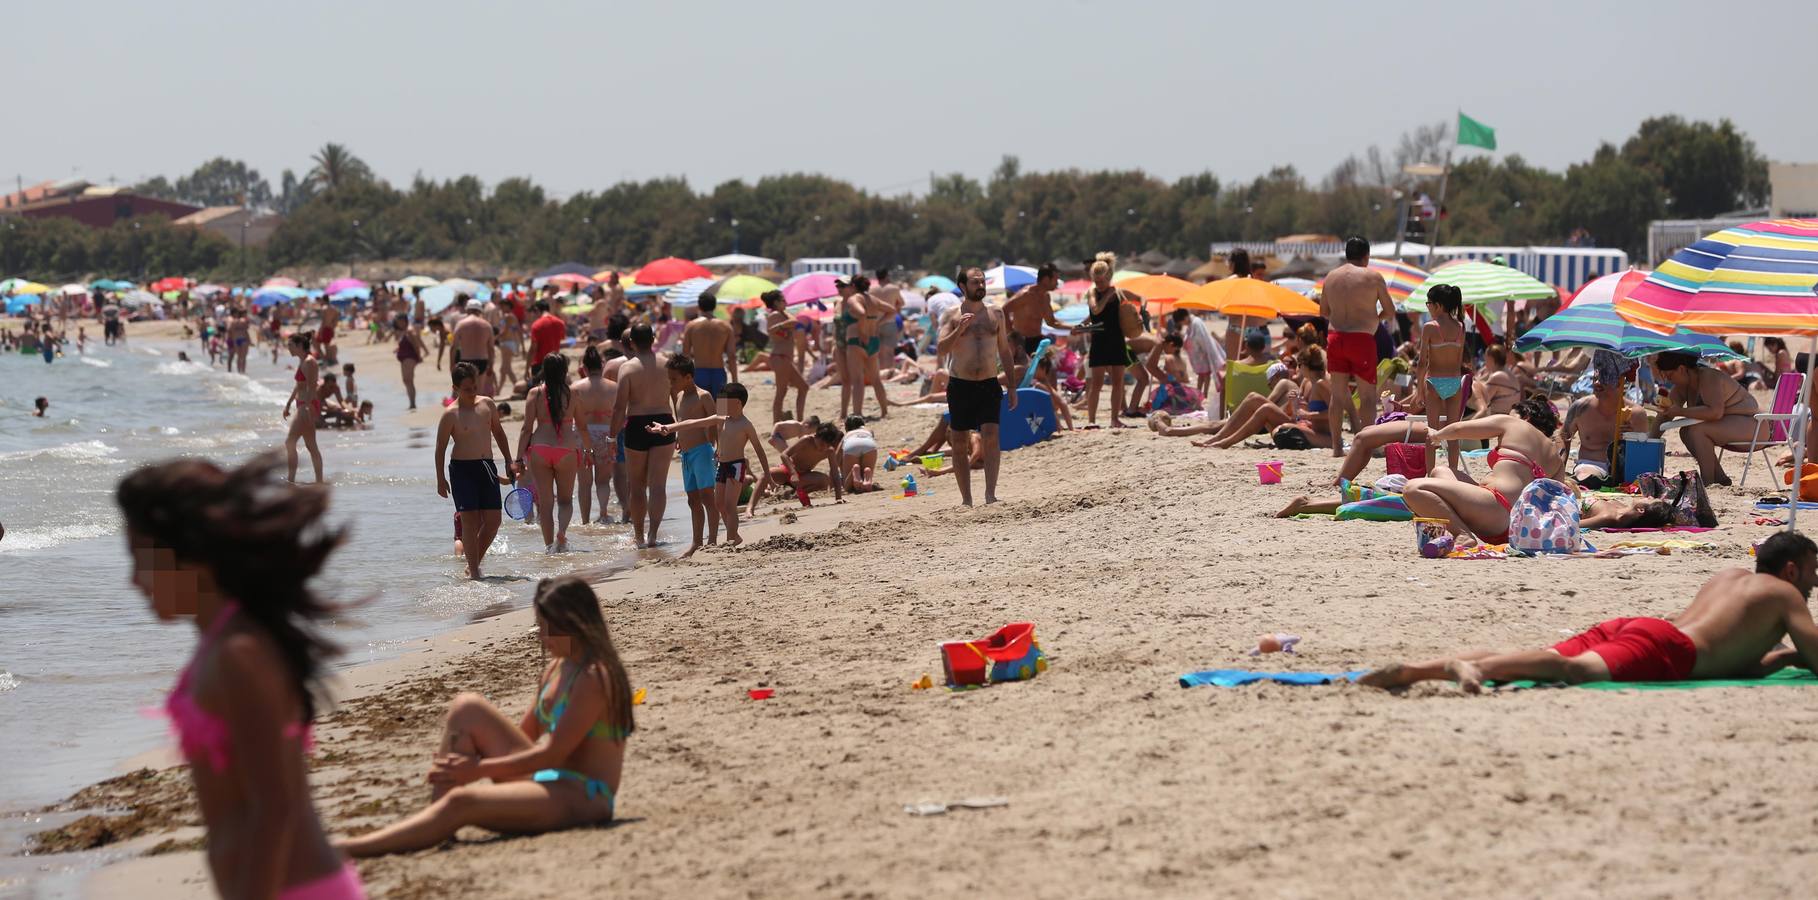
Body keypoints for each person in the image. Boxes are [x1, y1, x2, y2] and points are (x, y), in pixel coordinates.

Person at [118, 454, 367, 898]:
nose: (133, 581)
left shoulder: (239, 653)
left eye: (142, 559)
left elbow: (275, 808)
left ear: (191, 559)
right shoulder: (221, 640)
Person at [340, 575, 633, 857]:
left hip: (584, 797)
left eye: (549, 628)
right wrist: (460, 762)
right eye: (541, 625)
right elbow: (525, 738)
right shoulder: (558, 668)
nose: (542, 636)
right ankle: (438, 817)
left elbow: (552, 756)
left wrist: (477, 769)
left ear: (576, 625)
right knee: (467, 707)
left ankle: (349, 849)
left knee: (462, 801)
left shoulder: (594, 677)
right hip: (549, 781)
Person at [1360, 532, 1818, 692]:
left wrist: (1782, 657)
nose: (1814, 583)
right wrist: (1800, 654)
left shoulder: (1730, 578)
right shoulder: (1785, 596)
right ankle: (1459, 667)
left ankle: (1418, 671)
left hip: (1645, 627)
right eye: (1813, 573)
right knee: (1571, 669)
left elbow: (1730, 652)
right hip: (1667, 650)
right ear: (1792, 569)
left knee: (1540, 655)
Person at [1401, 397, 1564, 546]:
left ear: (1525, 416)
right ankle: (1447, 531)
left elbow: (1458, 429)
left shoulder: (1514, 423)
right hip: (1517, 526)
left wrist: (1437, 435)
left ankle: (1462, 534)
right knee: (1440, 471)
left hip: (1496, 508)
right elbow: (1558, 503)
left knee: (1413, 488)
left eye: (1511, 414)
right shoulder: (1555, 457)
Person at [936, 267, 1017, 506]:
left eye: (982, 282)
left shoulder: (997, 314)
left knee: (991, 436)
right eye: (975, 283)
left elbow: (1004, 351)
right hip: (961, 385)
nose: (980, 286)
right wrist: (959, 329)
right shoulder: (951, 315)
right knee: (959, 440)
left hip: (989, 383)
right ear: (963, 286)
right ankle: (966, 499)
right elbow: (941, 349)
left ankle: (990, 494)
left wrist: (1012, 386)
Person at [437, 362, 517, 578]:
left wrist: (509, 461)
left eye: (474, 387)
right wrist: (440, 479)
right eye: (466, 389)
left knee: (493, 522)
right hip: (462, 470)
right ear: (455, 388)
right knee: (470, 523)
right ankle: (474, 571)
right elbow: (440, 448)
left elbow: (499, 434)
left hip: (486, 467)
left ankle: (473, 563)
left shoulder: (487, 404)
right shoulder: (450, 414)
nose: (472, 392)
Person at [1319, 237, 1396, 456]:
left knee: (1337, 394)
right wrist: (1373, 318)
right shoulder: (1372, 276)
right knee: (1368, 397)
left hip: (1335, 336)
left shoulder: (1331, 277)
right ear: (1367, 255)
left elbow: (1323, 312)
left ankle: (1336, 447)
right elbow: (1390, 310)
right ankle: (1367, 447)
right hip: (1361, 339)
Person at [517, 354, 594, 553]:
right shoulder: (573, 394)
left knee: (545, 501)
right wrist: (588, 450)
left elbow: (526, 429)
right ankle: (561, 532)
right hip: (567, 449)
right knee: (565, 500)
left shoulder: (535, 394)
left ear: (544, 369)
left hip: (540, 448)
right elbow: (583, 427)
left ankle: (548, 546)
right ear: (564, 371)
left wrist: (518, 458)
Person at [1654, 350, 1761, 486]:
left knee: (1697, 430)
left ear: (1681, 369)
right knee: (1685, 432)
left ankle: (1707, 482)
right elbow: (1664, 416)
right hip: (1737, 425)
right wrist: (1649, 440)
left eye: (1669, 375)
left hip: (1755, 427)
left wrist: (1680, 411)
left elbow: (1715, 412)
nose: (1667, 380)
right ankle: (1719, 478)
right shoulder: (1682, 387)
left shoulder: (1708, 377)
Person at [612, 323, 675, 549]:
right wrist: (679, 425)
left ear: (631, 343)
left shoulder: (627, 368)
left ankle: (638, 537)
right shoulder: (667, 363)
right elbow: (676, 395)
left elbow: (620, 407)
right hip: (665, 421)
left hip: (637, 423)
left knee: (636, 485)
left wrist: (611, 436)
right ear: (654, 338)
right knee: (658, 485)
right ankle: (653, 535)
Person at [1196, 347, 1333, 450]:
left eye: (1298, 365)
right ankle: (1220, 438)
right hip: (1304, 425)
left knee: (1265, 407)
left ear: (1304, 366)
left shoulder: (1320, 384)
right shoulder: (1306, 382)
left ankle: (1225, 441)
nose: (1297, 370)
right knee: (1254, 398)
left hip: (1323, 435)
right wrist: (1296, 404)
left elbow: (1336, 412)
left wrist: (1308, 415)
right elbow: (1300, 413)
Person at [662, 354, 719, 558]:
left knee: (707, 497)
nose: (672, 383)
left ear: (688, 377)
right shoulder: (678, 397)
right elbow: (681, 420)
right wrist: (679, 437)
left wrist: (717, 447)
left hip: (702, 451)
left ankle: (712, 539)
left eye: (674, 379)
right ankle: (697, 541)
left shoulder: (703, 396)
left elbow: (715, 422)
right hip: (686, 454)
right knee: (692, 499)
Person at [1417, 283, 1469, 472]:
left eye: (1428, 303)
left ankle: (1430, 474)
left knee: (1432, 432)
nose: (1428, 307)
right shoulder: (1460, 327)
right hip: (1454, 382)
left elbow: (1422, 362)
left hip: (1434, 382)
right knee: (1454, 432)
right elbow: (1459, 360)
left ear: (1438, 305)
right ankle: (1453, 472)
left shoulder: (1430, 327)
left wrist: (1418, 391)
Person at [570, 346, 619, 525]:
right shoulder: (614, 387)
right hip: (606, 433)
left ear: (584, 367)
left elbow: (569, 415)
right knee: (603, 480)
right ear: (602, 365)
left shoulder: (575, 387)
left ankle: (584, 521)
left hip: (582, 434)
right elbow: (620, 413)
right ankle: (604, 513)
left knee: (584, 483)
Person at [1083, 253, 1132, 428]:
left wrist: (1140, 315)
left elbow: (1132, 307)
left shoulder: (1118, 292)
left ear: (1109, 277)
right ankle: (1091, 420)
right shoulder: (1092, 292)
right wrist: (1107, 294)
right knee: (1096, 384)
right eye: (1096, 281)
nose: (1099, 284)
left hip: (1116, 339)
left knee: (1118, 382)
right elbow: (1095, 311)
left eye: (1102, 281)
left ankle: (1114, 419)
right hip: (1099, 341)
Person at [750, 421, 845, 512]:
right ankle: (750, 508)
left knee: (825, 480)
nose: (822, 448)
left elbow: (835, 472)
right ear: (816, 436)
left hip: (803, 477)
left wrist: (838, 497)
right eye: (821, 444)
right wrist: (793, 473)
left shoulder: (829, 451)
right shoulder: (806, 440)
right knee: (765, 475)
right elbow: (784, 455)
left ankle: (797, 492)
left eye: (827, 445)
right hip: (787, 470)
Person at [1560, 358, 1625, 489]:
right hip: (1590, 465)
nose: (1597, 383)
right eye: (1594, 379)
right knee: (1587, 475)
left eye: (1603, 379)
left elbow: (1643, 450)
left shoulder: (1634, 413)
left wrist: (1630, 436)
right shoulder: (1580, 408)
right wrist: (1560, 469)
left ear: (1619, 382)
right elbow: (1563, 438)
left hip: (1622, 468)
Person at [1003, 263, 1072, 380]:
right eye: (1055, 279)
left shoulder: (1046, 297)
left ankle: (1049, 398)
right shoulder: (1025, 295)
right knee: (1023, 376)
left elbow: (1051, 322)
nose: (1057, 282)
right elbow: (1003, 310)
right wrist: (1012, 334)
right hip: (1021, 342)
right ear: (1046, 279)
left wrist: (1073, 327)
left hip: (1037, 341)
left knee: (1050, 373)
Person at [841, 275, 890, 420]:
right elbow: (893, 309)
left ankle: (857, 413)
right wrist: (878, 322)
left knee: (857, 380)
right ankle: (884, 411)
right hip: (873, 340)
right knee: (876, 379)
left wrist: (862, 332)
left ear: (854, 286)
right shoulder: (873, 300)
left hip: (857, 340)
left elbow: (861, 313)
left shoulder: (854, 299)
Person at [282, 334, 325, 484]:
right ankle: (319, 482)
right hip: (303, 404)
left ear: (300, 345)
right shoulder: (302, 361)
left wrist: (307, 408)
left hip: (307, 405)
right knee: (311, 445)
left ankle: (290, 481)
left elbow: (313, 387)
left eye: (290, 345)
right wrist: (288, 404)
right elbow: (299, 385)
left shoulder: (309, 362)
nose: (288, 348)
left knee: (290, 442)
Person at [761, 290, 809, 423]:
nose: (786, 303)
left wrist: (781, 325)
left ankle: (799, 421)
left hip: (784, 358)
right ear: (776, 302)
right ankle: (776, 425)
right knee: (781, 392)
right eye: (783, 300)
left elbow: (794, 321)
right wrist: (783, 324)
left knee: (803, 387)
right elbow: (773, 331)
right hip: (780, 357)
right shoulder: (775, 315)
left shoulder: (783, 314)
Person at [680, 293, 736, 400]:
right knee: (722, 410)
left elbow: (685, 354)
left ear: (699, 306)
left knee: (701, 409)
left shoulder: (691, 326)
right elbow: (732, 355)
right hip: (719, 373)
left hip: (699, 373)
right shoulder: (726, 326)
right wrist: (735, 380)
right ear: (714, 306)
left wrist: (684, 378)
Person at [1170, 309, 1225, 399]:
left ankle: (1205, 394)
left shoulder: (1196, 322)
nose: (1183, 324)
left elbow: (1202, 338)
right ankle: (1199, 392)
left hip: (1203, 353)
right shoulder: (1191, 324)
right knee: (1201, 375)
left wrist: (1203, 349)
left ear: (1185, 317)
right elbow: (1190, 337)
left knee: (1206, 375)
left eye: (1182, 322)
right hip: (1199, 355)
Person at [452, 297, 497, 391]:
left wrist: (452, 364)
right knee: (479, 391)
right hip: (482, 361)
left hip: (466, 361)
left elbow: (454, 346)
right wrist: (491, 365)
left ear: (467, 310)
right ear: (480, 311)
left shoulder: (461, 324)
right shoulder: (487, 325)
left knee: (465, 391)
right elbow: (491, 348)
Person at [392, 314, 428, 410]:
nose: (398, 323)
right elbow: (406, 343)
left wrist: (419, 356)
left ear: (404, 321)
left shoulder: (409, 330)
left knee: (409, 380)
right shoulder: (403, 331)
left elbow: (416, 344)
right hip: (404, 357)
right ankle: (411, 402)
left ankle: (412, 404)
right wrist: (398, 348)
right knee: (406, 380)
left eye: (399, 321)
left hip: (410, 357)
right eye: (397, 322)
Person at [839, 414, 881, 492]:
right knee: (864, 472)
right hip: (869, 445)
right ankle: (867, 478)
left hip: (852, 444)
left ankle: (854, 470)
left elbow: (837, 454)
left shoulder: (847, 435)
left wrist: (841, 469)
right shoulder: (868, 430)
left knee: (847, 487)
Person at [527, 299, 567, 381]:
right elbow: (560, 341)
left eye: (533, 312)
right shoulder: (560, 323)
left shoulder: (536, 325)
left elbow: (533, 349)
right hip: (556, 362)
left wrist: (526, 368)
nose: (533, 315)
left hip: (540, 364)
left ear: (537, 310)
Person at [226, 307, 252, 374]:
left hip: (236, 339)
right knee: (243, 357)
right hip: (243, 339)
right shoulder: (244, 320)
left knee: (238, 357)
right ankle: (243, 371)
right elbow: (246, 330)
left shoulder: (233, 322)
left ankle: (238, 372)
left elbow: (231, 330)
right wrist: (249, 341)